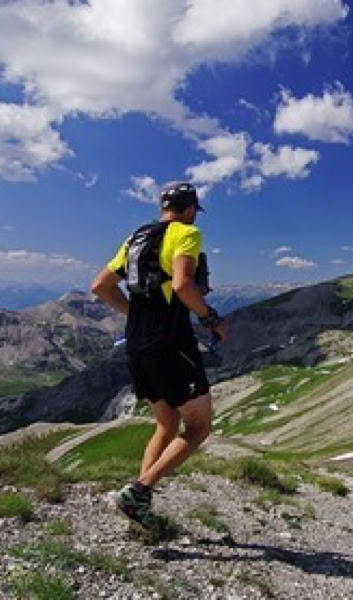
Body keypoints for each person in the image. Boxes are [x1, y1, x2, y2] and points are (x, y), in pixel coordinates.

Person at [91, 181, 228, 532]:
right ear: (190, 208)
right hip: (171, 343)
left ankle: (138, 506)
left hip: (136, 342)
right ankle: (139, 492)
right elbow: (182, 285)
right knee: (199, 427)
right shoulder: (187, 233)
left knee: (166, 424)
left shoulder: (136, 238)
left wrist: (135, 315)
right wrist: (211, 319)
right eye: (195, 211)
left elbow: (100, 286)